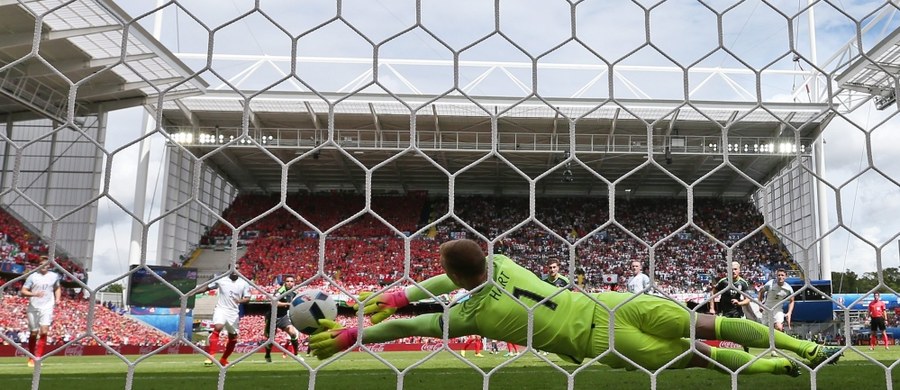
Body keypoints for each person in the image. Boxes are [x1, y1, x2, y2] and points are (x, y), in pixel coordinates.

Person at [310, 239, 841, 377]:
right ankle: (803, 349)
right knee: (712, 322)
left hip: (597, 343)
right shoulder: (507, 265)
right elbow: (445, 278)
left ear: (454, 281)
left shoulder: (470, 317)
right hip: (612, 305)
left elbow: (412, 321)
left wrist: (358, 332)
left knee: (698, 354)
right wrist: (407, 291)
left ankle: (775, 366)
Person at [200, 270, 251, 366]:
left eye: (237, 268)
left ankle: (223, 359)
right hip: (221, 309)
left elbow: (247, 298)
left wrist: (240, 300)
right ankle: (211, 357)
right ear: (229, 270)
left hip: (233, 313)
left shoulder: (244, 283)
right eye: (233, 268)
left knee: (233, 337)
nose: (235, 270)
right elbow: (206, 288)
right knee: (218, 327)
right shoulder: (221, 280)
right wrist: (191, 293)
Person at [20, 261, 61, 368]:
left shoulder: (54, 276)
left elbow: (57, 288)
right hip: (33, 306)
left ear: (49, 265)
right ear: (39, 265)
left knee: (44, 331)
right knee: (34, 333)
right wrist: (34, 294)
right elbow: (23, 291)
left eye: (47, 264)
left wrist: (57, 299)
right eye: (42, 264)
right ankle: (31, 356)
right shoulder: (32, 277)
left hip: (47, 306)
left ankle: (38, 357)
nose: (45, 266)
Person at [709, 261, 752, 352]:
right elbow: (713, 293)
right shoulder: (723, 282)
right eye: (731, 269)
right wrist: (712, 308)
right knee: (720, 332)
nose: (733, 271)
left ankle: (747, 352)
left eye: (735, 269)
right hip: (724, 312)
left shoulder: (743, 283)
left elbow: (748, 299)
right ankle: (716, 353)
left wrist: (739, 303)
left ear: (739, 270)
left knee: (742, 333)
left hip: (737, 312)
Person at [263, 276, 303, 363]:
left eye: (291, 281)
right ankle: (267, 354)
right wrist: (288, 304)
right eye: (287, 281)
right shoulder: (280, 291)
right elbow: (273, 302)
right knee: (271, 340)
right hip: (272, 317)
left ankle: (296, 354)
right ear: (285, 282)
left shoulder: (294, 293)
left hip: (283, 317)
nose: (289, 283)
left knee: (293, 333)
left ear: (294, 283)